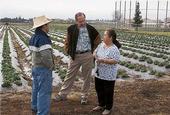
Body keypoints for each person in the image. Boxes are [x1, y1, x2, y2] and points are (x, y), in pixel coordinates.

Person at [55, 12, 101, 104]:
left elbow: (97, 40)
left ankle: (84, 96)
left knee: (86, 77)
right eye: (80, 21)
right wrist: (69, 51)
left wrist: (93, 52)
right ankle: (63, 94)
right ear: (76, 21)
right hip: (75, 56)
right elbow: (67, 41)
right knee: (70, 75)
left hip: (87, 55)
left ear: (85, 19)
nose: (82, 23)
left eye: (83, 20)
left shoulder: (91, 29)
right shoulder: (71, 29)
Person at [29, 15, 55, 115]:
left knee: (36, 89)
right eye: (47, 25)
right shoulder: (43, 38)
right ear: (44, 26)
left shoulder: (33, 37)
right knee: (44, 92)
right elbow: (46, 57)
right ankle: (43, 113)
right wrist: (50, 67)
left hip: (35, 67)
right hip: (43, 69)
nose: (49, 27)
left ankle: (34, 108)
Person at [92, 29, 121, 115]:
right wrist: (95, 56)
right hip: (99, 73)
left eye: (105, 35)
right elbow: (94, 51)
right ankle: (101, 104)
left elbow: (115, 61)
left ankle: (108, 108)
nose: (103, 36)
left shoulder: (114, 49)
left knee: (108, 91)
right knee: (99, 89)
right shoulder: (101, 45)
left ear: (110, 37)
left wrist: (103, 60)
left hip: (109, 75)